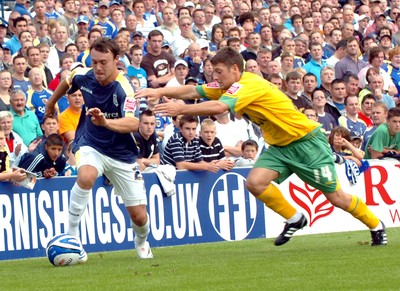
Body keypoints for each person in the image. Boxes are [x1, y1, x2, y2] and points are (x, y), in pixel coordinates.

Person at [137, 47, 387, 246]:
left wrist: (181, 108)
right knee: (254, 182)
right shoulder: (229, 84)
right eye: (213, 72)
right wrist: (159, 91)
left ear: (235, 69)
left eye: (219, 72)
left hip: (306, 143)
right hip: (280, 147)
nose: (215, 77)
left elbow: (219, 108)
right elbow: (195, 88)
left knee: (336, 197)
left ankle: (376, 225)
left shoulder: (246, 85)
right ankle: (295, 218)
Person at [45, 37, 154, 260]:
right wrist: (50, 103)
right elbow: (68, 80)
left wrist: (106, 123)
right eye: (94, 62)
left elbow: (133, 123)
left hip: (122, 155)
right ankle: (72, 238)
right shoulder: (85, 75)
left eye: (103, 62)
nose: (98, 67)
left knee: (140, 218)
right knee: (85, 176)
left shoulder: (125, 88)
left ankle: (141, 241)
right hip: (91, 143)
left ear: (116, 60)